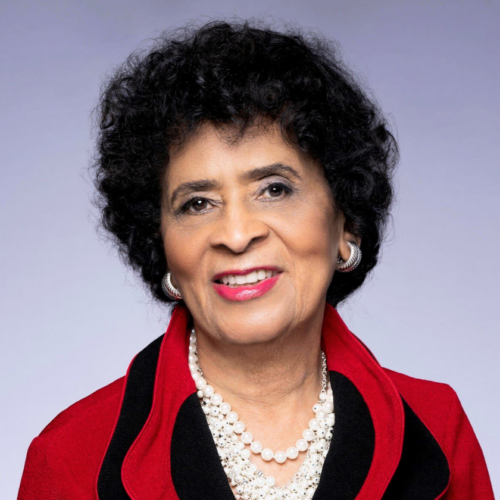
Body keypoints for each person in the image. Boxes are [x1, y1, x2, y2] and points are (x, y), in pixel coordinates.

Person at [18, 19, 494, 500]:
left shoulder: (436, 426)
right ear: (161, 245)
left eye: (274, 189)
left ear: (344, 223)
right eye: (197, 203)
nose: (237, 234)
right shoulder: (70, 456)